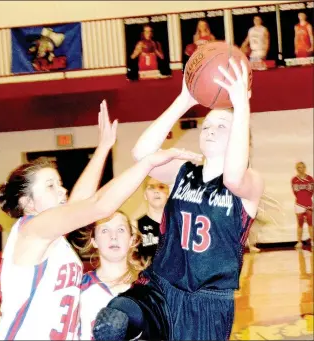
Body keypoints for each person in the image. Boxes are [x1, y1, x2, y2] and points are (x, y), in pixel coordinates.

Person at [0, 100, 196, 340]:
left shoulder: (52, 237)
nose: (62, 191)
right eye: (50, 186)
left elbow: (83, 201)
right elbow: (98, 205)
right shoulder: (33, 229)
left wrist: (103, 148)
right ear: (27, 203)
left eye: (59, 183)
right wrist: (147, 163)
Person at [93, 59, 264, 341]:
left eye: (221, 126)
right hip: (160, 288)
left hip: (206, 304)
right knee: (112, 323)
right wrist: (184, 98)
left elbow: (233, 176)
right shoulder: (183, 172)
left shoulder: (250, 182)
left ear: (239, 136)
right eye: (206, 125)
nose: (209, 130)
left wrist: (241, 105)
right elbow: (142, 153)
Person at [75, 211, 148, 340]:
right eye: (104, 230)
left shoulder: (149, 288)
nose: (113, 236)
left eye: (120, 229)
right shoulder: (78, 288)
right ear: (94, 241)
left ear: (132, 240)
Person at [136, 177, 169, 262]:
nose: (156, 191)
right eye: (151, 187)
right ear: (145, 195)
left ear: (168, 194)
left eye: (161, 187)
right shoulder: (135, 227)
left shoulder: (179, 224)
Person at [291, 161, 314, 248]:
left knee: (310, 223)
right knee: (299, 224)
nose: (301, 169)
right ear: (297, 169)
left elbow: (311, 192)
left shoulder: (310, 179)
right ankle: (299, 242)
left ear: (305, 168)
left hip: (308, 204)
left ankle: (312, 241)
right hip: (298, 205)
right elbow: (295, 193)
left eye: (303, 167)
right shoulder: (294, 180)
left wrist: (307, 200)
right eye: (299, 167)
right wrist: (301, 199)